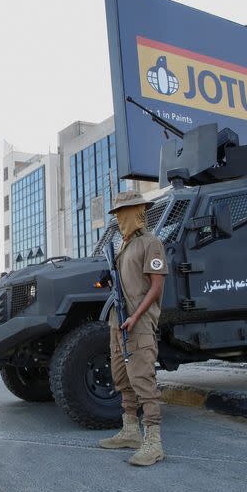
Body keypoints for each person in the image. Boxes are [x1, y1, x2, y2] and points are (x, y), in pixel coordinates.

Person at [98, 191, 168, 467]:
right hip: (119, 320)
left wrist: (136, 317)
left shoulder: (151, 244)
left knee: (143, 380)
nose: (119, 219)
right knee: (122, 377)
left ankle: (154, 441)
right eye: (117, 214)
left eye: (123, 213)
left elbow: (157, 287)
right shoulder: (123, 246)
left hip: (137, 323)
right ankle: (130, 431)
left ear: (137, 212)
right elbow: (123, 286)